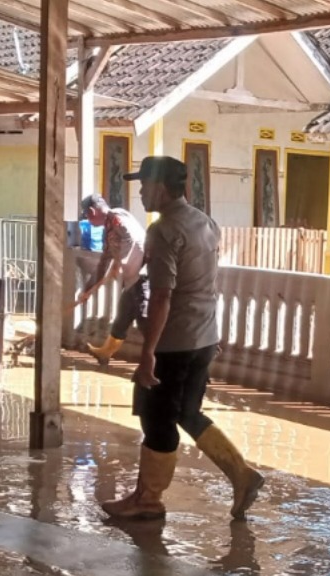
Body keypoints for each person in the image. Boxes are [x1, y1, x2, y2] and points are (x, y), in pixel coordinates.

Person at [101, 156, 265, 523]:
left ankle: (148, 500)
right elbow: (206, 281)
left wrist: (148, 354)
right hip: (203, 336)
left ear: (160, 187)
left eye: (144, 185)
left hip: (174, 341)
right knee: (186, 412)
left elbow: (162, 295)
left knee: (157, 418)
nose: (140, 192)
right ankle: (241, 474)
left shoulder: (163, 230)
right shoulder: (205, 222)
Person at [80, 193, 146, 366]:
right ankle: (105, 353)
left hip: (143, 277)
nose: (87, 219)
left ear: (92, 211)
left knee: (145, 321)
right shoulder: (108, 228)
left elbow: (132, 239)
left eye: (86, 215)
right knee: (123, 315)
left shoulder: (118, 218)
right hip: (131, 280)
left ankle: (160, 361)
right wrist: (87, 289)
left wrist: (120, 262)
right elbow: (104, 262)